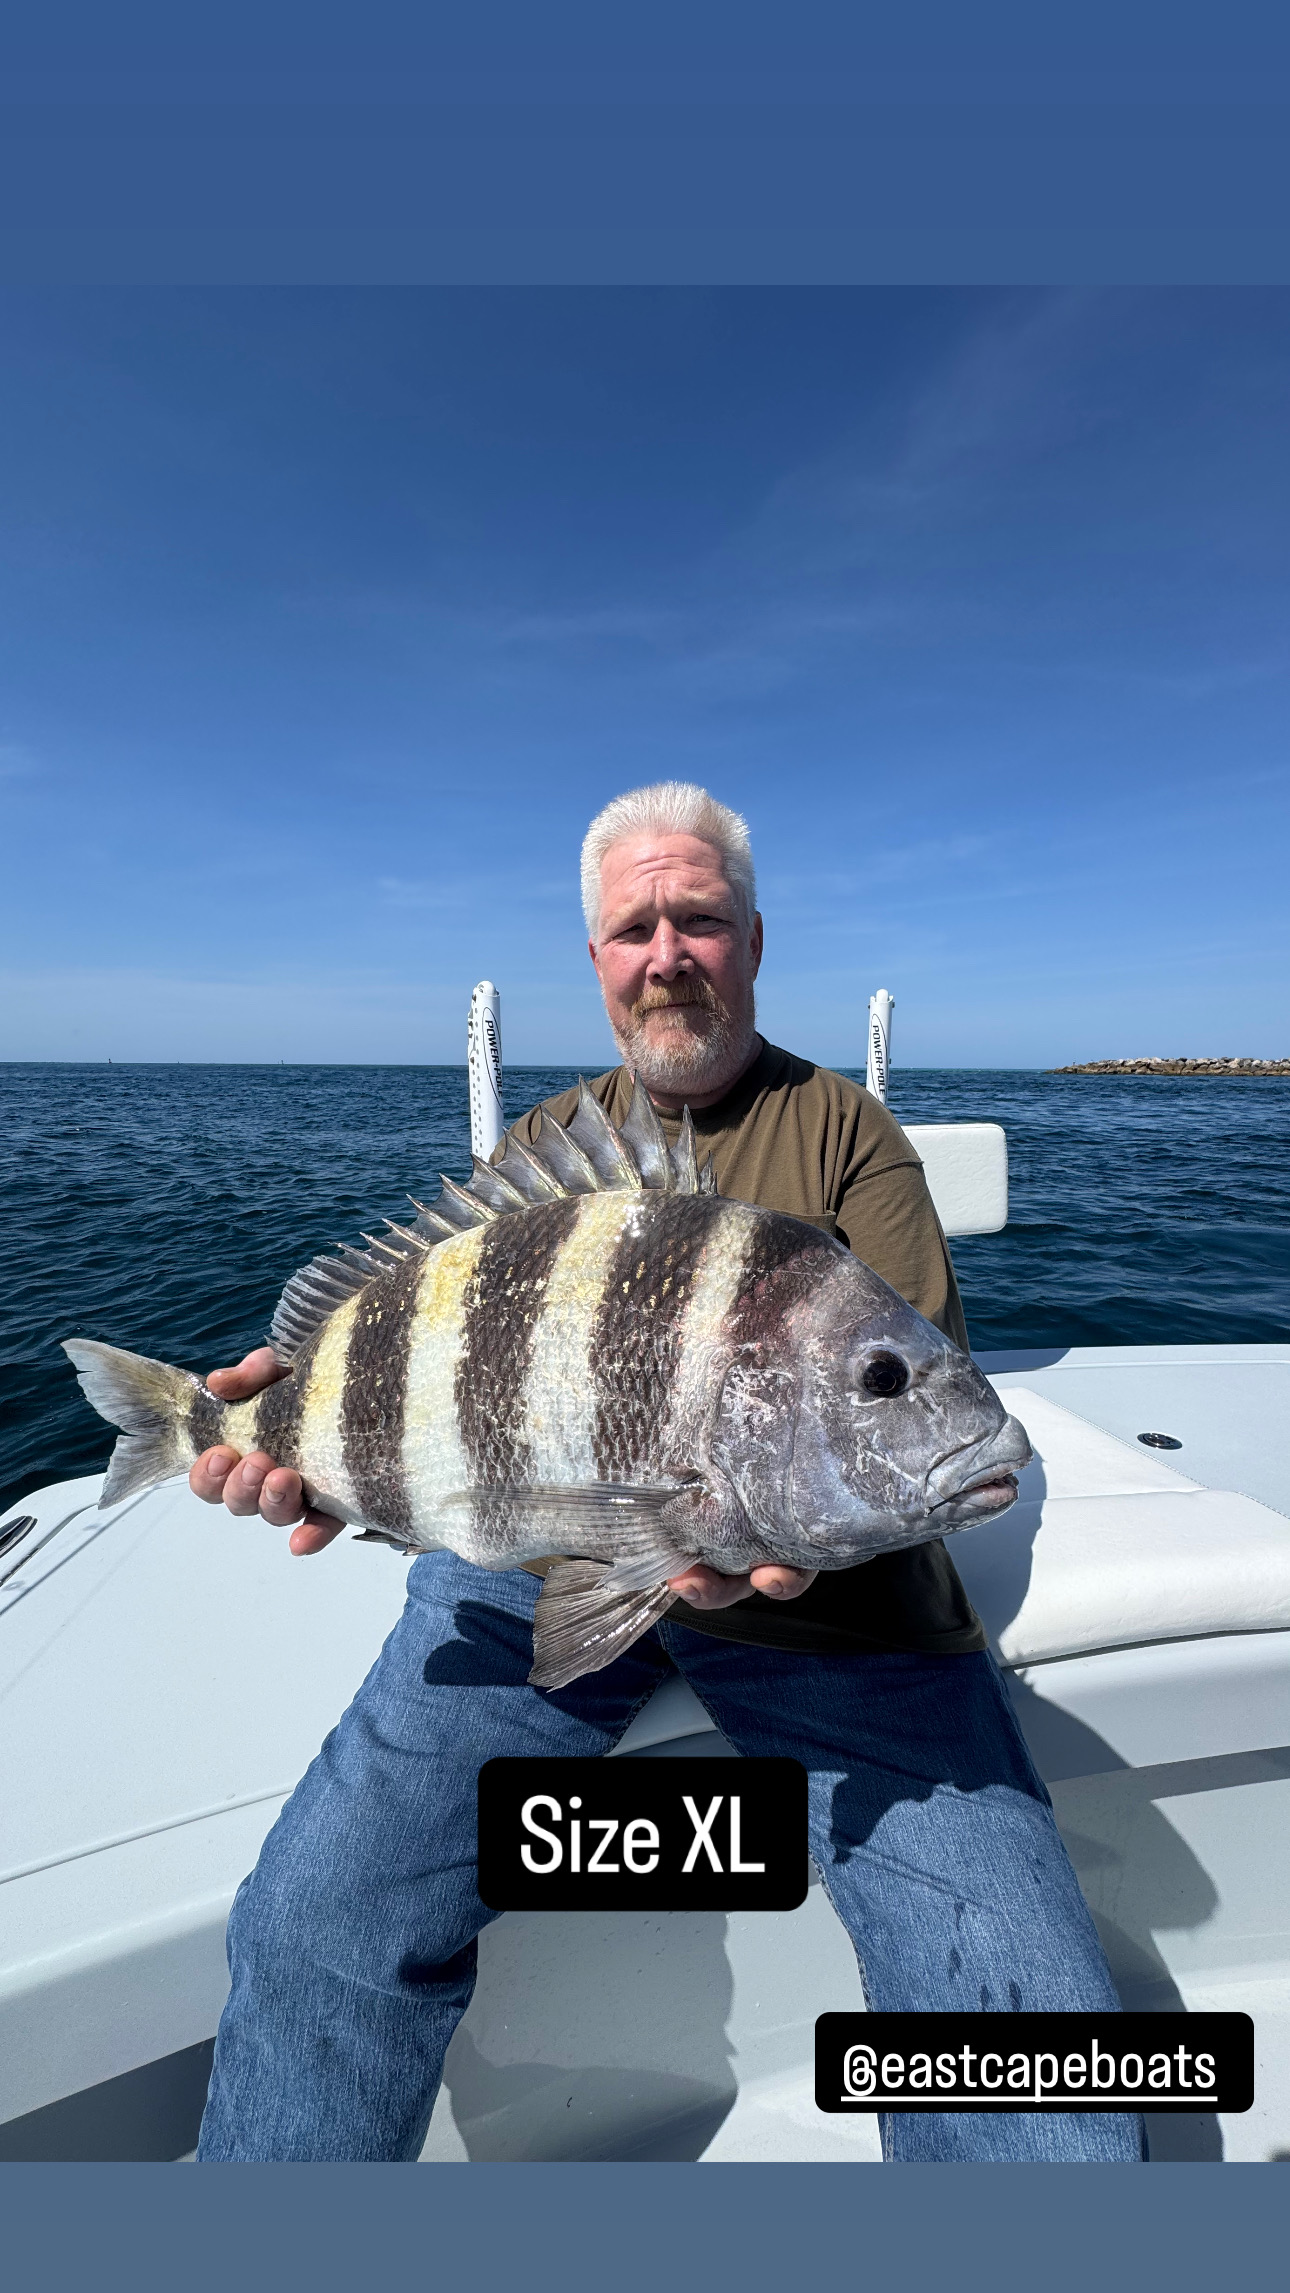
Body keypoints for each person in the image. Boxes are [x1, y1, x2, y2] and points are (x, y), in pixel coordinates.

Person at [191, 781, 1144, 2164]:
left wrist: (773, 1519)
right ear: (596, 959)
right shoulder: (538, 1154)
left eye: (696, 916)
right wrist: (310, 1443)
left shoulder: (846, 1136)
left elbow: (903, 1400)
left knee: (1034, 2056)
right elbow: (440, 1391)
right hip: (535, 1580)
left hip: (835, 1605)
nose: (666, 949)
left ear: (751, 938)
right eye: (634, 924)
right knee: (313, 1917)